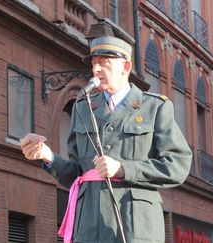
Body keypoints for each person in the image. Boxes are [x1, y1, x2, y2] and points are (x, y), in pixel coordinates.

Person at [21, 36, 192, 243]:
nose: (96, 70)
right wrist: (47, 156)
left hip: (134, 226)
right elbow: (77, 174)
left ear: (125, 66)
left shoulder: (154, 107)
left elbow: (178, 165)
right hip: (89, 227)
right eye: (94, 64)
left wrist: (123, 169)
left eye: (104, 63)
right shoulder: (83, 107)